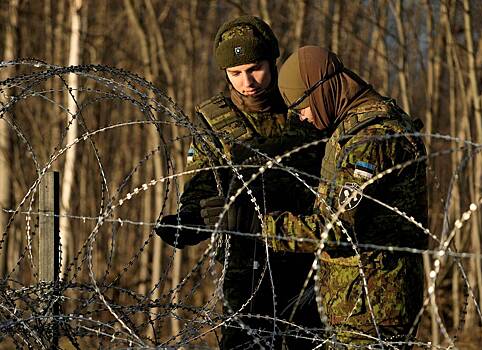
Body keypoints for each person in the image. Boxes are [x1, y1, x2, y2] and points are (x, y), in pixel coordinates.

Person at [155, 17, 324, 349]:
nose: (247, 81)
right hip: (246, 262)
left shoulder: (302, 105)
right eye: (235, 73)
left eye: (254, 68)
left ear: (271, 62)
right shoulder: (214, 119)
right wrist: (192, 218)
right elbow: (203, 178)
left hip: (304, 254)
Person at [261, 46, 428, 348]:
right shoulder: (356, 125)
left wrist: (260, 227)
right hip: (359, 302)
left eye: (302, 106)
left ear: (321, 88)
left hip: (372, 309)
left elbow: (337, 229)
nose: (303, 118)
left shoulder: (370, 138)